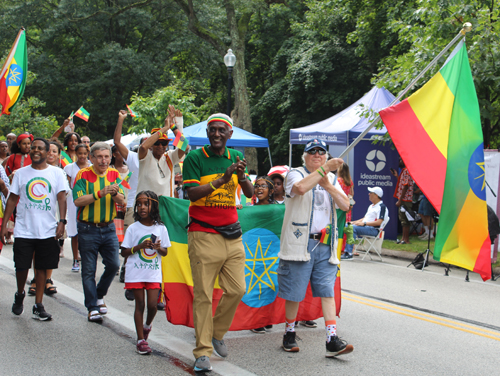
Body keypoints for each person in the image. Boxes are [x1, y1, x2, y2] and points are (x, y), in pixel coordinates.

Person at [182, 113, 254, 372]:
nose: (216, 134)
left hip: (232, 235)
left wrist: (242, 176)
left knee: (237, 290)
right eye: (212, 130)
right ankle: (202, 352)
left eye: (221, 130)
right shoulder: (194, 158)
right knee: (203, 295)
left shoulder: (235, 157)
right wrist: (222, 180)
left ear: (229, 134)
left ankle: (216, 332)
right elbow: (191, 194)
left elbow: (249, 193)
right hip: (203, 234)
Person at [278, 139, 353, 358]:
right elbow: (299, 189)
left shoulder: (330, 178)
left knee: (327, 291)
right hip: (300, 242)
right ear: (305, 156)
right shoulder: (295, 173)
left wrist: (328, 184)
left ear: (326, 155)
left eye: (322, 152)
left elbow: (346, 205)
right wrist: (324, 170)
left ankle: (332, 339)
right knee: (294, 292)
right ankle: (289, 333)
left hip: (325, 243)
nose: (317, 154)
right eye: (313, 152)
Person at [1, 138, 67, 321]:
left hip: (47, 230)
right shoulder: (21, 174)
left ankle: (38, 305)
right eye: (33, 148)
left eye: (40, 148)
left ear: (47, 152)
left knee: (42, 268)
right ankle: (20, 292)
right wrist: (5, 223)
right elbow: (12, 199)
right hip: (24, 229)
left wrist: (62, 221)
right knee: (21, 266)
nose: (36, 150)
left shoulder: (57, 173)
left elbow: (62, 198)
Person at [73, 142, 125, 323]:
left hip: (109, 227)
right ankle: (92, 307)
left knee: (113, 265)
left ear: (111, 157)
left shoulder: (115, 174)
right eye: (100, 157)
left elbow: (122, 200)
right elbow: (78, 201)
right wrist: (100, 193)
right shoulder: (83, 174)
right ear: (92, 158)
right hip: (88, 228)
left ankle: (99, 294)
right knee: (88, 270)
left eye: (107, 156)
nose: (104, 160)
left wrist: (115, 193)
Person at [120, 191, 170, 354]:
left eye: (146, 204)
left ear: (153, 206)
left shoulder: (161, 228)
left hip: (153, 272)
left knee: (153, 305)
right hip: (136, 272)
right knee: (140, 304)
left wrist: (158, 248)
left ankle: (147, 325)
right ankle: (141, 340)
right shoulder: (133, 228)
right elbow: (124, 252)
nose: (142, 207)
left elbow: (165, 252)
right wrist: (138, 247)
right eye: (139, 204)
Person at [137, 105, 186, 197]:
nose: (160, 146)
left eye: (164, 143)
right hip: (147, 207)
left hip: (165, 206)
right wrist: (165, 128)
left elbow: (185, 147)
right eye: (157, 143)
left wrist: (175, 127)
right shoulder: (145, 156)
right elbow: (143, 147)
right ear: (151, 144)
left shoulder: (170, 156)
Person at [64, 144, 91, 272]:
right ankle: (75, 258)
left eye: (84, 153)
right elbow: (68, 186)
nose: (82, 156)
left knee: (88, 231)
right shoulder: (69, 168)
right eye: (79, 153)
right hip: (74, 202)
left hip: (90, 201)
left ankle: (86, 259)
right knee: (75, 231)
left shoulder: (92, 167)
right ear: (75, 153)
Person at [342, 187, 388, 259]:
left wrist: (364, 223)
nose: (369, 194)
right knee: (345, 225)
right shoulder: (371, 206)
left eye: (371, 193)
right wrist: (354, 222)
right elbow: (365, 218)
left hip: (374, 230)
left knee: (351, 228)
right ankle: (338, 249)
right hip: (366, 227)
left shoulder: (382, 207)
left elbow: (379, 222)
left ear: (376, 195)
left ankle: (349, 253)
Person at [391, 158, 414, 244]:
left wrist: (400, 200)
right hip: (403, 199)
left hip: (405, 199)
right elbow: (401, 183)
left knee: (406, 219)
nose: (399, 161)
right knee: (402, 219)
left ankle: (406, 239)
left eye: (400, 160)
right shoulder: (404, 171)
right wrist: (396, 176)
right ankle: (403, 239)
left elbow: (405, 186)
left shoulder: (407, 171)